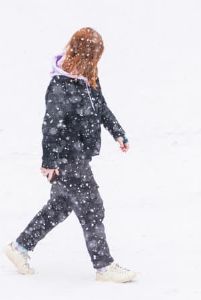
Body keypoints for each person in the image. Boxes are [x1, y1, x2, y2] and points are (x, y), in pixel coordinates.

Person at [3, 27, 137, 283]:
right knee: (92, 207)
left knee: (59, 207)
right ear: (84, 53)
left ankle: (19, 248)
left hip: (79, 156)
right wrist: (49, 162)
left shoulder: (89, 79)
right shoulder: (60, 85)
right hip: (67, 157)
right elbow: (51, 125)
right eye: (94, 55)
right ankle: (104, 266)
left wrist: (117, 132)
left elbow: (102, 108)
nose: (96, 61)